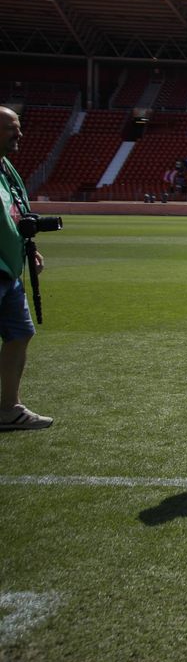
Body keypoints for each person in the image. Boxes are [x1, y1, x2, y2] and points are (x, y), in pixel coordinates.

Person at [0, 107, 49, 431]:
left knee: (20, 333)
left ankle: (9, 409)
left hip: (10, 269)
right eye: (10, 128)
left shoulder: (6, 168)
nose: (19, 134)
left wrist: (27, 248)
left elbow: (14, 214)